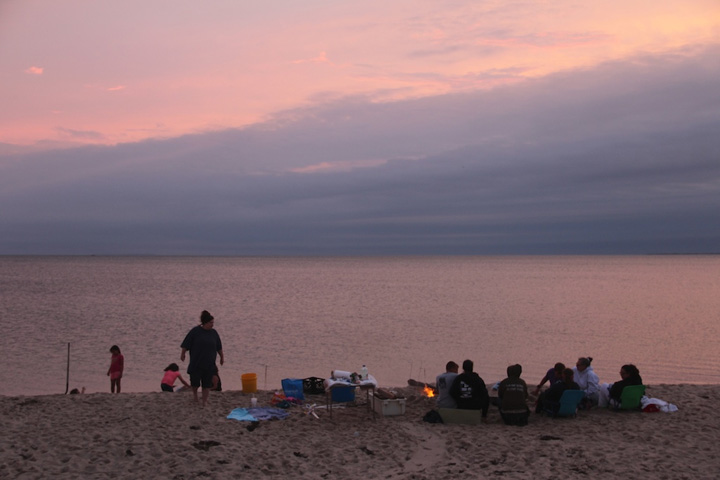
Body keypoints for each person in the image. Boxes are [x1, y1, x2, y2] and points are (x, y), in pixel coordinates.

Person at [180, 310, 224, 406]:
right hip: (196, 362)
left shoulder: (214, 333)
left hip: (209, 363)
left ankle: (204, 400)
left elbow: (219, 346)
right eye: (211, 323)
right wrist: (183, 354)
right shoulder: (195, 331)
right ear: (205, 322)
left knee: (207, 383)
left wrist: (221, 357)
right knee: (195, 383)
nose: (212, 324)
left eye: (213, 323)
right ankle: (195, 397)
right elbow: (186, 343)